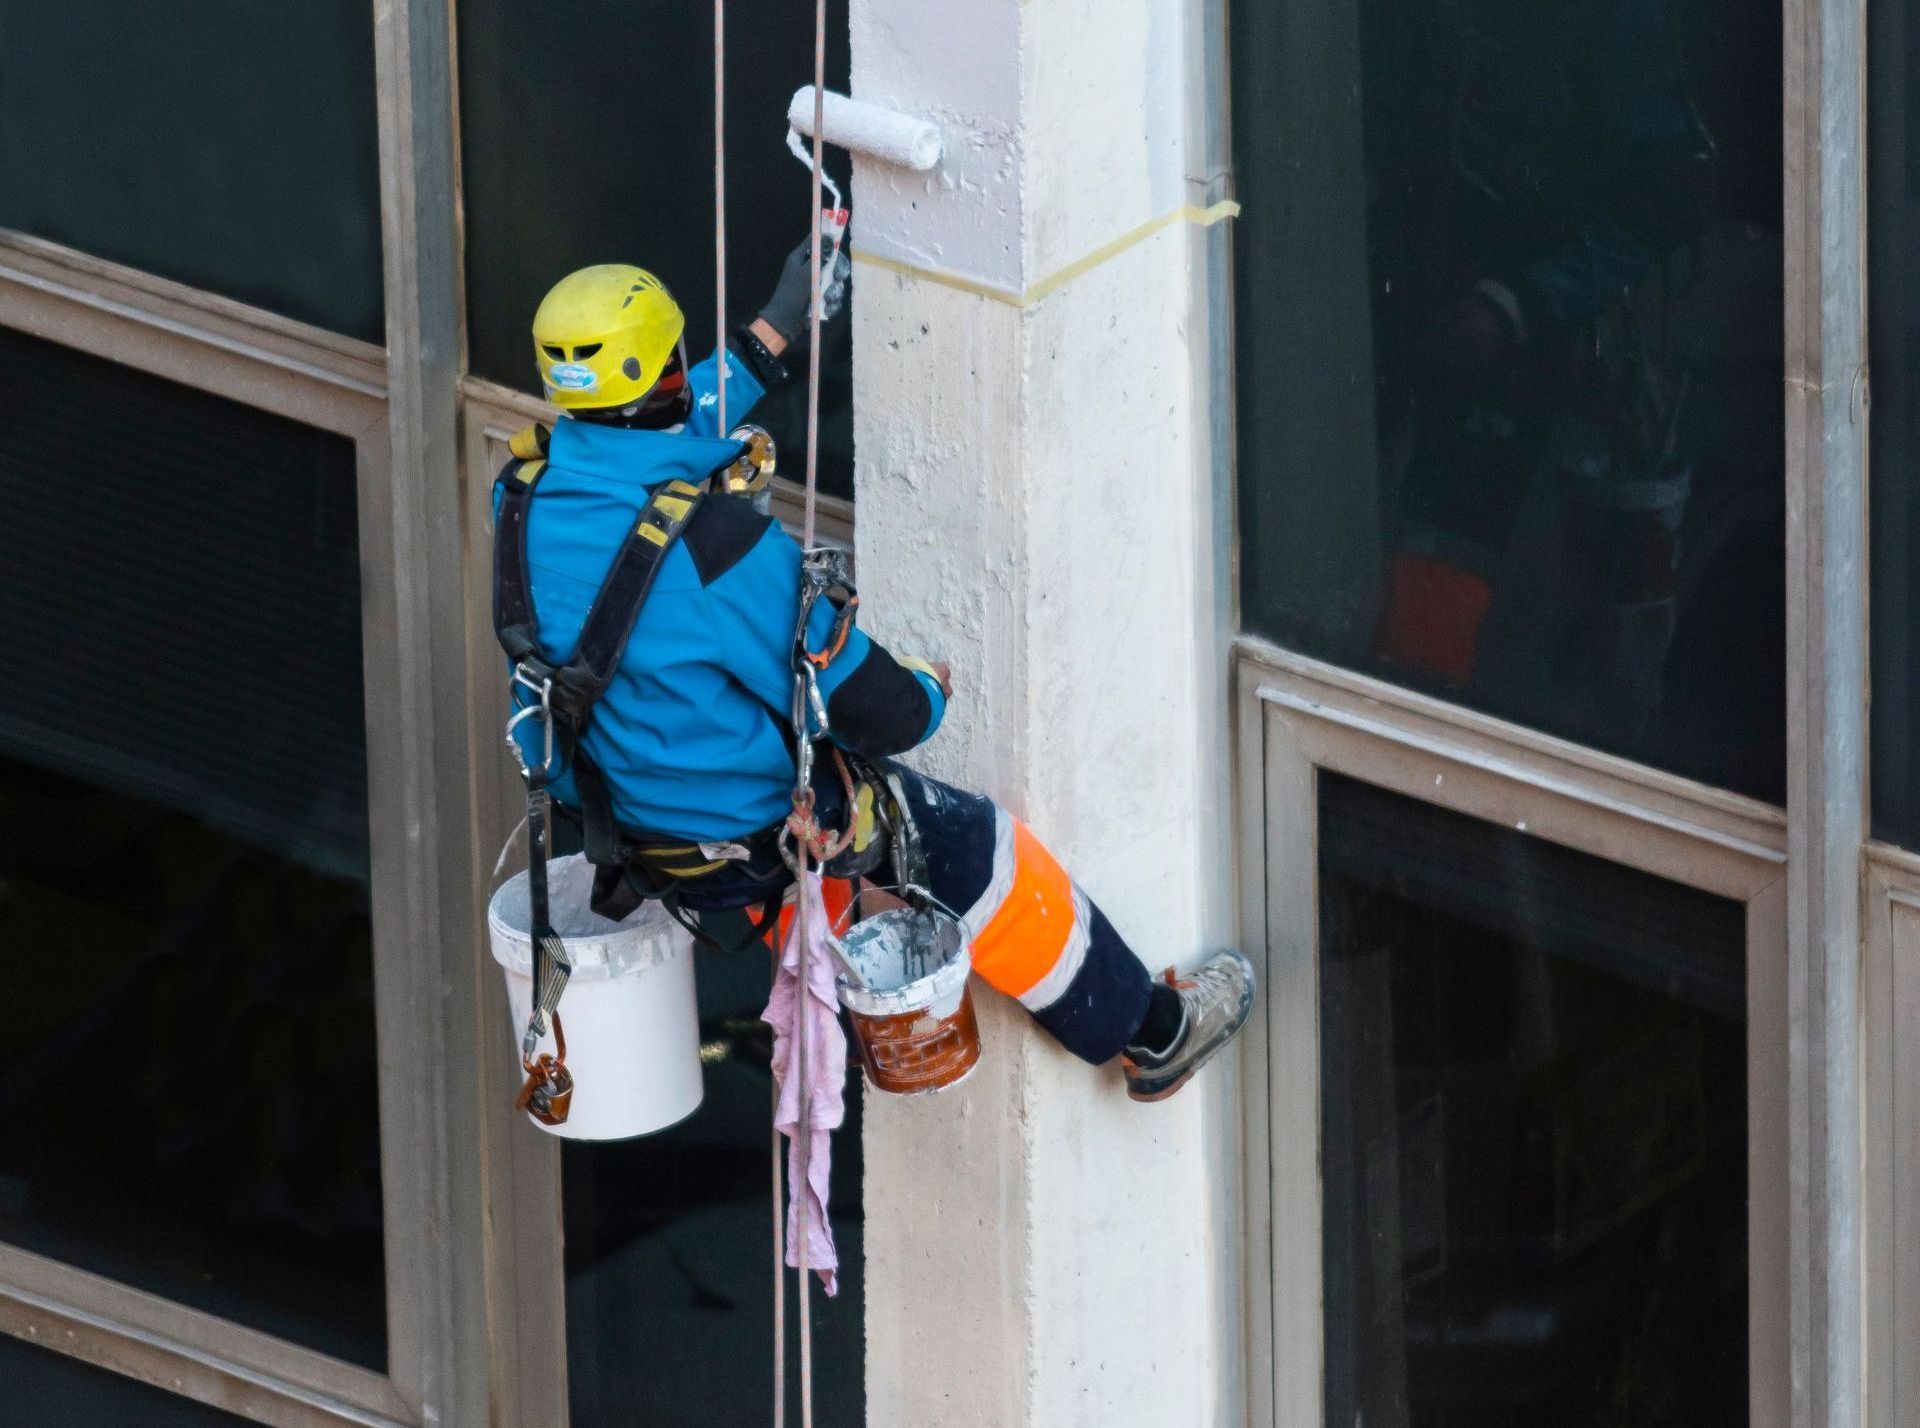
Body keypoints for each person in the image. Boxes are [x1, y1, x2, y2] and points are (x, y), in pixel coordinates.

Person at [494, 235, 1252, 1102]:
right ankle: (1154, 1031)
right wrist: (929, 691)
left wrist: (774, 333)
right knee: (972, 846)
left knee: (796, 861)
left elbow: (648, 441)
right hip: (742, 828)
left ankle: (817, 978)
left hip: (624, 816)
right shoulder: (719, 549)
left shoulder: (523, 494)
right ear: (666, 367)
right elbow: (872, 708)